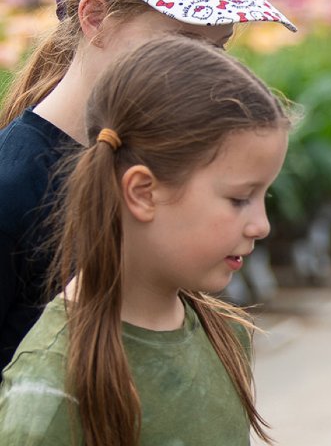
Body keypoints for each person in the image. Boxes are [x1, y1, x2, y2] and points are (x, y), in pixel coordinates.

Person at [0, 0, 296, 375]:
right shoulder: (12, 192)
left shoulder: (164, 164)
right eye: (182, 42)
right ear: (95, 18)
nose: (204, 71)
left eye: (219, 46)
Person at [0, 34, 290, 445]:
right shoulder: (51, 392)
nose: (261, 225)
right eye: (239, 199)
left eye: (265, 195)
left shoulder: (225, 336)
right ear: (142, 192)